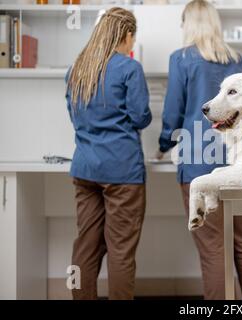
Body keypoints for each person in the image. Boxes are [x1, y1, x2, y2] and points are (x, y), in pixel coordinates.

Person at [156, 0, 242, 300]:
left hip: (198, 162)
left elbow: (173, 111)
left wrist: (164, 144)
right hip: (238, 162)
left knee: (213, 249)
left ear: (189, 24)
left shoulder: (181, 59)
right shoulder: (237, 60)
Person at [65, 7, 151, 300]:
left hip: (85, 169)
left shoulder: (78, 67)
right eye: (132, 38)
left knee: (85, 248)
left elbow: (74, 116)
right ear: (127, 35)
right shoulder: (129, 68)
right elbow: (140, 117)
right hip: (122, 172)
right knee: (121, 252)